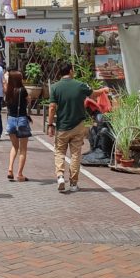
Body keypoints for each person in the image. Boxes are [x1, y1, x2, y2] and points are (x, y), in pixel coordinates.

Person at [46, 61, 110, 193]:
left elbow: (52, 108)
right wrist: (103, 90)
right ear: (70, 71)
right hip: (78, 126)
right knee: (75, 154)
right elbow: (93, 94)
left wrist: (50, 124)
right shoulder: (80, 85)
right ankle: (74, 184)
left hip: (62, 126)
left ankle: (60, 176)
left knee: (59, 152)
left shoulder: (55, 87)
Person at [4, 69, 32, 181]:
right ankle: (19, 174)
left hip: (11, 120)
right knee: (23, 149)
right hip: (21, 120)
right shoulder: (23, 90)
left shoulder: (8, 90)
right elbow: (28, 101)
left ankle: (10, 169)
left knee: (14, 147)